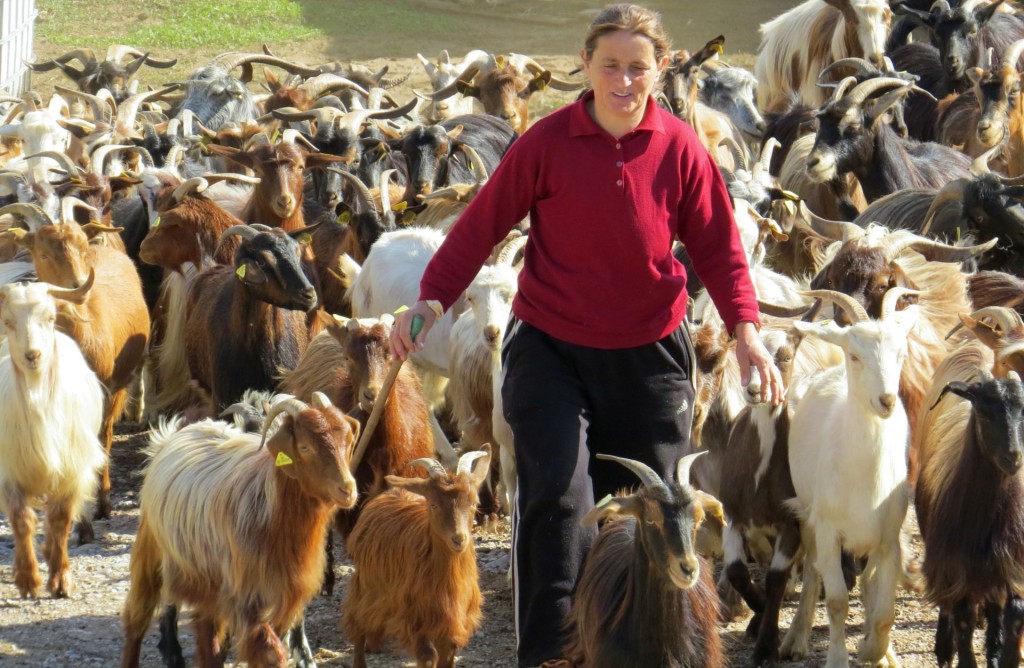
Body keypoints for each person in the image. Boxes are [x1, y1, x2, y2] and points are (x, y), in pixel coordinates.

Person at [390, 4, 784, 666]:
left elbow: (719, 248)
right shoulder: (546, 142)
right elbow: (481, 226)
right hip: (551, 351)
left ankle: (661, 651)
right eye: (611, 66)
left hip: (651, 354)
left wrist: (747, 332)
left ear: (659, 70)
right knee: (558, 501)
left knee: (663, 512)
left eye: (637, 67)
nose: (624, 81)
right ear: (586, 66)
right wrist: (429, 300)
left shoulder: (680, 147)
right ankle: (554, 652)